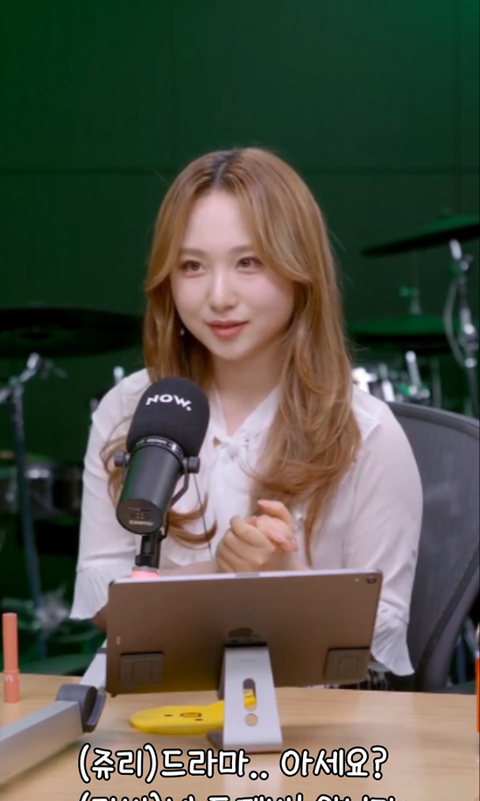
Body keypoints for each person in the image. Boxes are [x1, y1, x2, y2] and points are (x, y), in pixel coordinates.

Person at [70, 147, 423, 689]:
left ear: (301, 270)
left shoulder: (367, 434)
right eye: (192, 266)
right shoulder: (130, 407)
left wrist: (284, 578)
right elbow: (101, 596)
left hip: (314, 718)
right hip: (157, 707)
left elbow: (379, 642)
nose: (218, 297)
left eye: (249, 262)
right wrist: (222, 575)